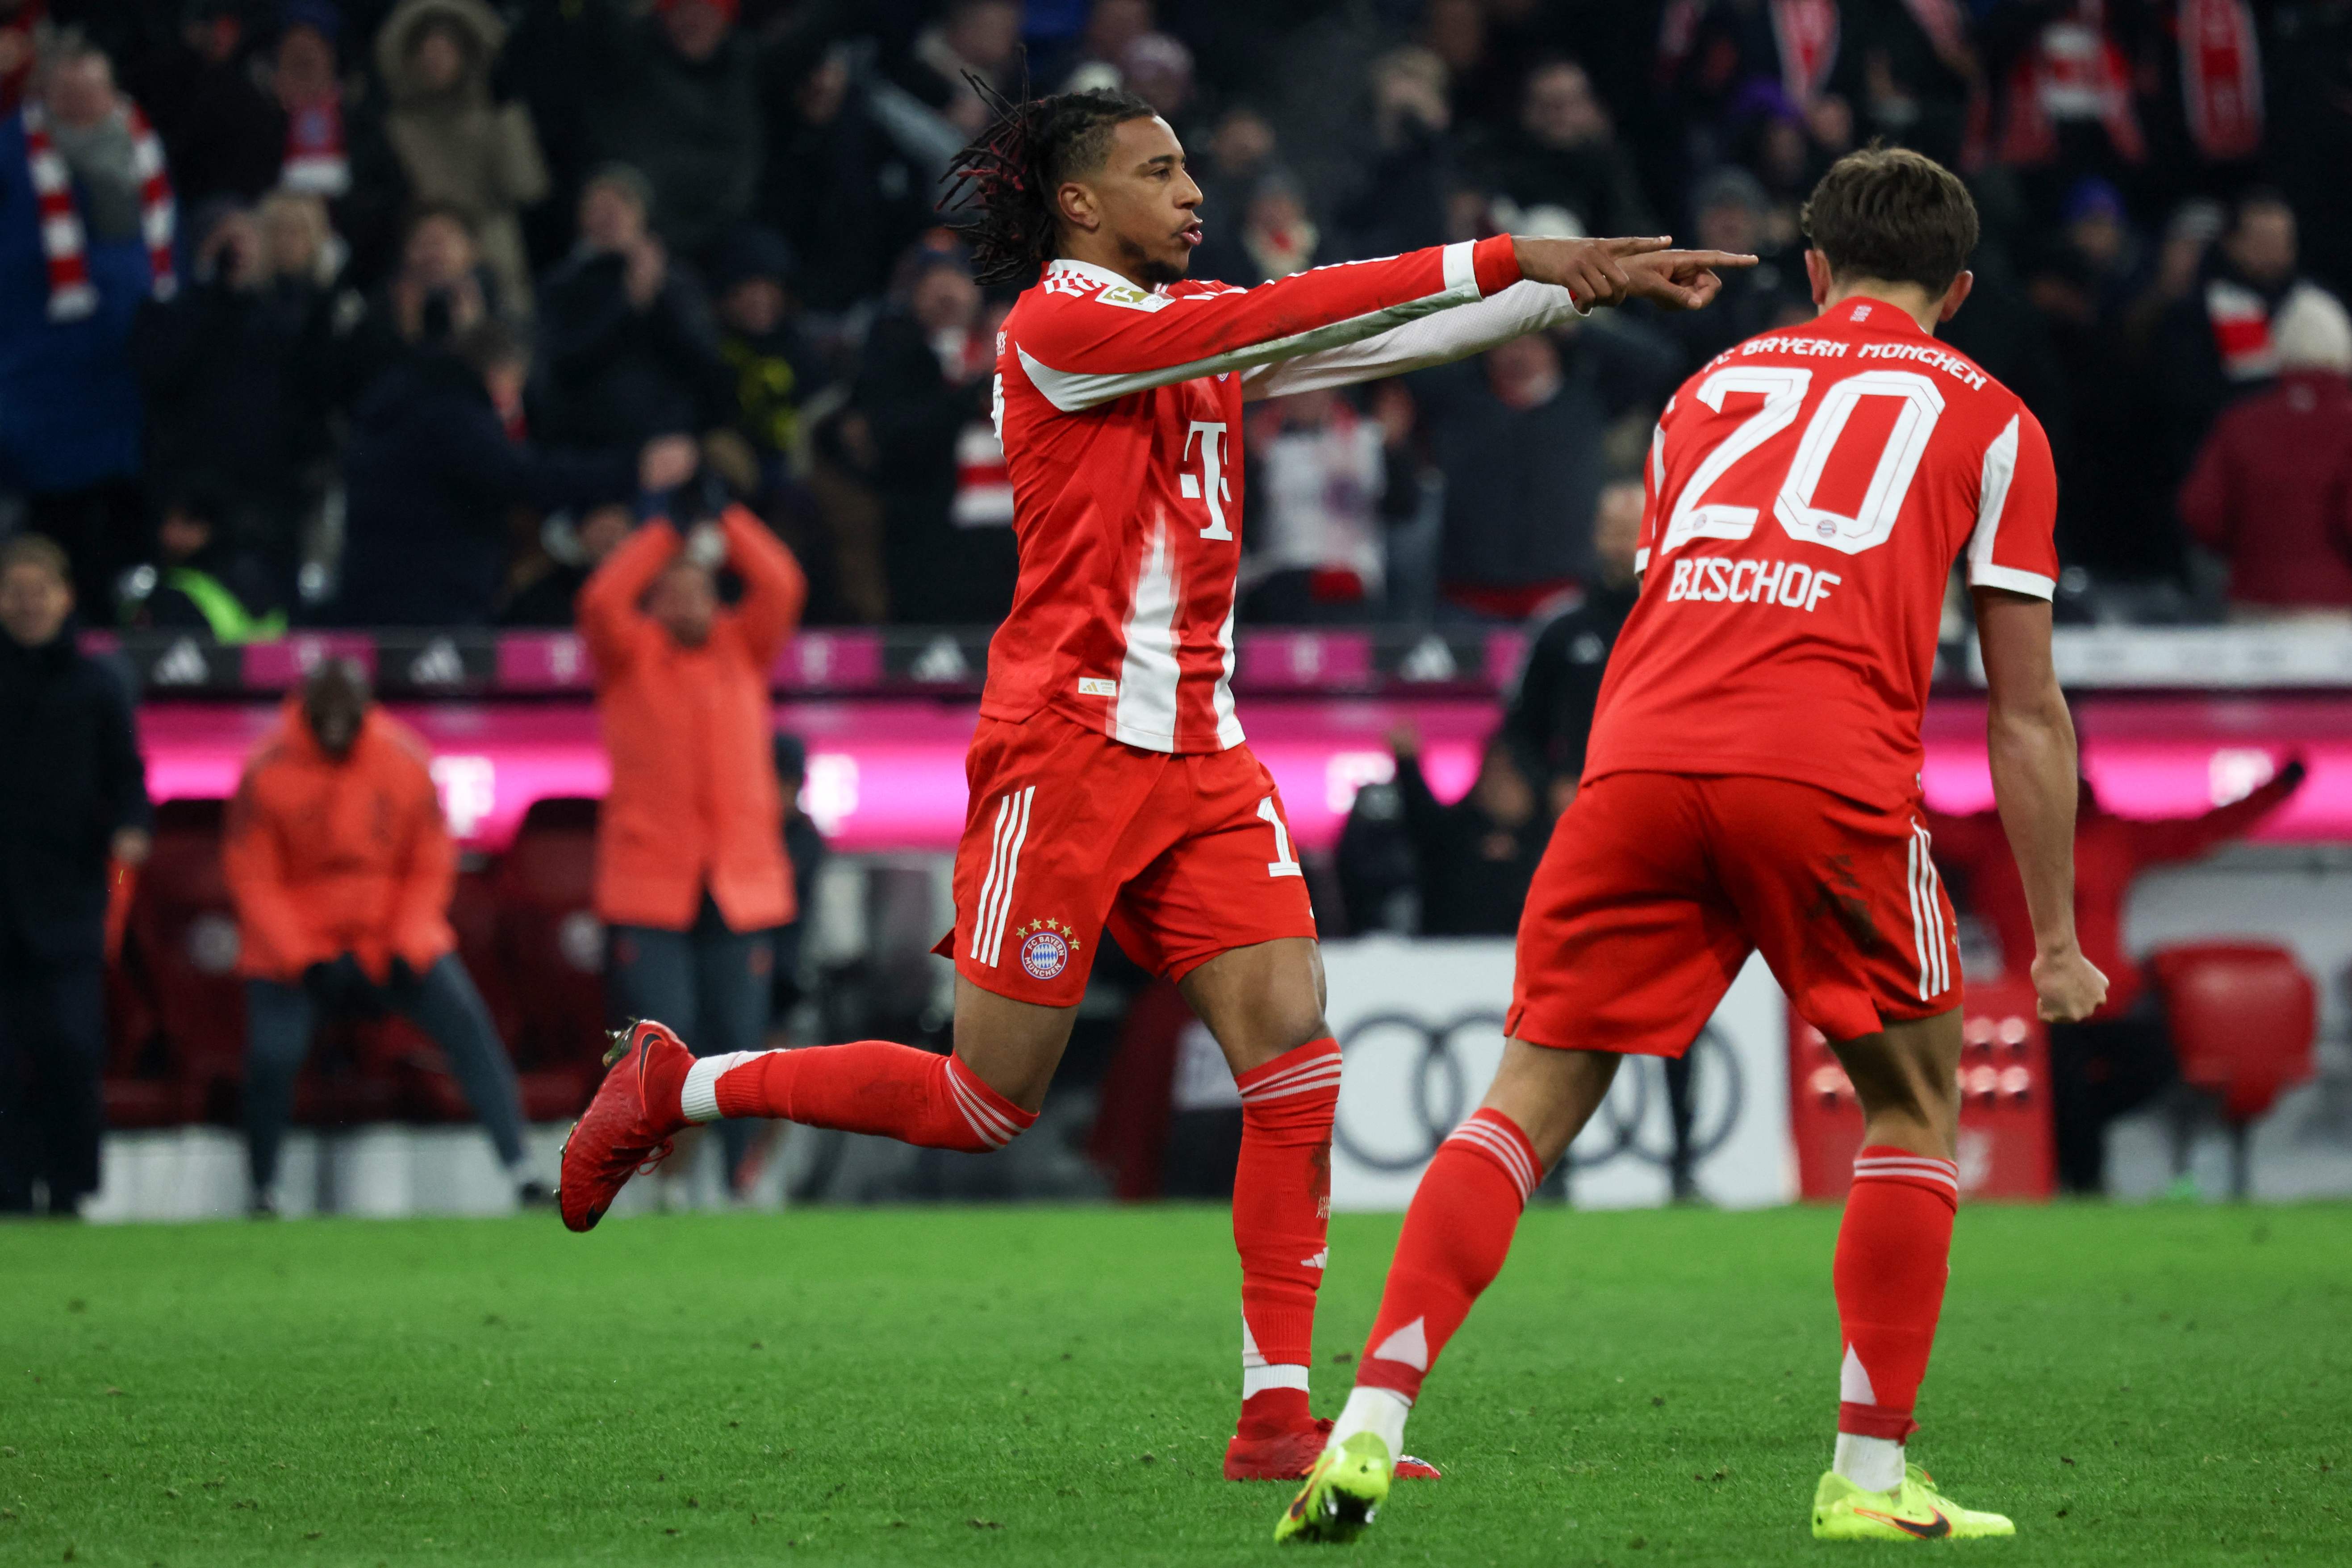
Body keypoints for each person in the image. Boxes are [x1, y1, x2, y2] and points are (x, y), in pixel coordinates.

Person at [558, 80, 1749, 1482]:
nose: (1192, 193)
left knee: (1295, 1058)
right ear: (1079, 204)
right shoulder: (1059, 327)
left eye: (1190, 168)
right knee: (986, 1101)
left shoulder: (1184, 337)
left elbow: (1367, 336)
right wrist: (1509, 255)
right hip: (1061, 757)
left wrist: (1575, 290)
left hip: (1199, 754)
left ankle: (1272, 1414)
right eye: (1159, 170)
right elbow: (1282, 315)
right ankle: (677, 1085)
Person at [1281, 147, 2107, 1544]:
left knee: (1522, 1104)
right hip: (1824, 776)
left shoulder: (1702, 393)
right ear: (1956, 291)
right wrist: (2062, 941)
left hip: (1638, 765)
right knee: (1912, 1109)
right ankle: (1864, 1474)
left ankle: (1366, 1421)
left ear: (1812, 271)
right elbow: (2023, 712)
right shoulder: (1998, 425)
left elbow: (1686, 595)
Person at [224, 660, 543, 1215]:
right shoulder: (267, 769)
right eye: (324, 717)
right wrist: (303, 957)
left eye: (347, 716)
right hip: (297, 952)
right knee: (273, 1055)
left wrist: (406, 942)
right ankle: (263, 1188)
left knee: (469, 1026)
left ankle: (522, 1170)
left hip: (391, 940)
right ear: (305, 711)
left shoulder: (403, 757)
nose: (336, 728)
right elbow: (254, 880)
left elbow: (430, 862)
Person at [1927, 759, 2307, 1192]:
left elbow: (2200, 830)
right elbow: (1914, 814)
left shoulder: (2111, 835)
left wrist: (2279, 788)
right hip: (2035, 1011)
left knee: (2154, 1066)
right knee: (2062, 1079)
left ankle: (2069, 1148)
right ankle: (2085, 1182)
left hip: (2109, 1004)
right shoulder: (1990, 838)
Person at [574, 493, 806, 1194]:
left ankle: (739, 1182)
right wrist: (663, 531)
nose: (685, 603)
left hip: (739, 885)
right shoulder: (628, 655)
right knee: (658, 1046)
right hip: (650, 885)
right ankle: (662, 1183)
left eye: (697, 588)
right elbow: (599, 598)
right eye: (670, 592)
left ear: (715, 595)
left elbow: (782, 582)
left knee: (740, 1042)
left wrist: (728, 519)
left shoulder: (744, 645)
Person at [335, 318, 697, 626]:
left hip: (382, 590)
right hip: (429, 601)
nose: (512, 405)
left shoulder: (404, 399)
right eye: (514, 388)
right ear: (498, 373)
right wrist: (631, 468)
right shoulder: (452, 412)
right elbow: (520, 476)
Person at [0, 535, 150, 1216]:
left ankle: (70, 1188)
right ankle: (9, 1190)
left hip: (67, 895)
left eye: (39, 591)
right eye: (15, 591)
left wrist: (132, 825)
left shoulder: (98, 684)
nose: (28, 604)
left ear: (66, 597)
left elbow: (128, 776)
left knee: (69, 1046)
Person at [2177, 287, 2352, 621]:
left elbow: (2201, 512)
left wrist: (2249, 551)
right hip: (2337, 612)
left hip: (2253, 604)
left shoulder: (2240, 422)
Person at [373, 0, 549, 316]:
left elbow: (528, 188)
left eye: (445, 51)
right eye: (427, 52)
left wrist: (506, 117)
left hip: (495, 258)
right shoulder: (394, 129)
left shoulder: (495, 117)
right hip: (423, 260)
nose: (435, 61)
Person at [1386, 726, 1548, 937]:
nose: (1497, 785)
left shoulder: (1550, 842)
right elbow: (1424, 821)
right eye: (1491, 771)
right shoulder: (1455, 833)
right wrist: (1407, 763)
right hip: (1451, 957)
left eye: (1508, 772)